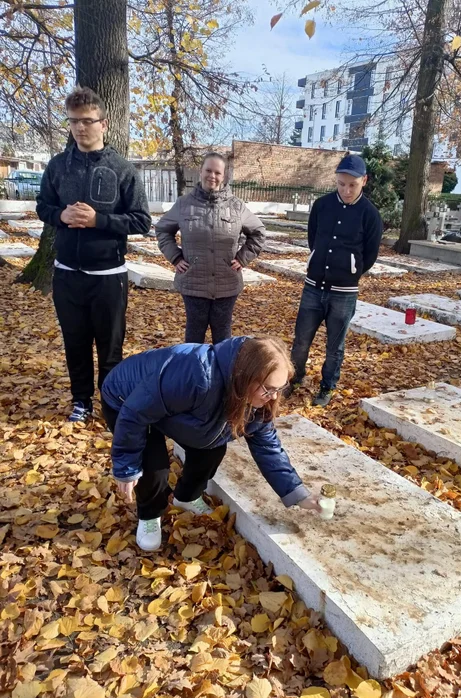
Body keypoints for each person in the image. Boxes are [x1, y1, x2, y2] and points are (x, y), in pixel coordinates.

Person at [101, 335, 321, 552]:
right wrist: (126, 467)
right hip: (127, 400)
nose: (273, 398)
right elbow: (135, 412)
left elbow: (267, 447)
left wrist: (297, 494)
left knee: (212, 449)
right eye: (268, 389)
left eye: (279, 389)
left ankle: (186, 497)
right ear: (246, 377)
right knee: (154, 467)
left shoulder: (257, 400)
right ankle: (149, 514)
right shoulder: (196, 374)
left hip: (167, 407)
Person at [36, 86, 151, 423]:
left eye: (87, 121)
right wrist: (60, 216)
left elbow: (142, 220)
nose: (80, 128)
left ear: (104, 123)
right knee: (76, 343)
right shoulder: (58, 166)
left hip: (108, 276)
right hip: (67, 273)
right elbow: (43, 206)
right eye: (73, 122)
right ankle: (81, 401)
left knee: (110, 347)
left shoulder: (123, 169)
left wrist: (99, 220)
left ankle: (111, 404)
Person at [286, 154, 383, 407]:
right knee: (301, 341)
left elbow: (370, 254)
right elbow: (313, 238)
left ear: (364, 180)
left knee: (334, 346)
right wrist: (317, 262)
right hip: (313, 288)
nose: (346, 190)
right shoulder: (322, 205)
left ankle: (327, 385)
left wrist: (350, 270)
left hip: (344, 292)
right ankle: (295, 378)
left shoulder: (370, 214)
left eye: (352, 185)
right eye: (341, 184)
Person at [156, 153, 265, 344]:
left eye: (217, 172)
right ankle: (192, 373)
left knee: (223, 340)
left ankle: (219, 374)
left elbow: (258, 233)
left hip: (226, 285)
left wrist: (242, 259)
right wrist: (176, 258)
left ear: (224, 176)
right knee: (194, 338)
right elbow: (163, 230)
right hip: (193, 283)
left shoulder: (237, 207)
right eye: (208, 170)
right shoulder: (184, 204)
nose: (212, 176)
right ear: (201, 171)